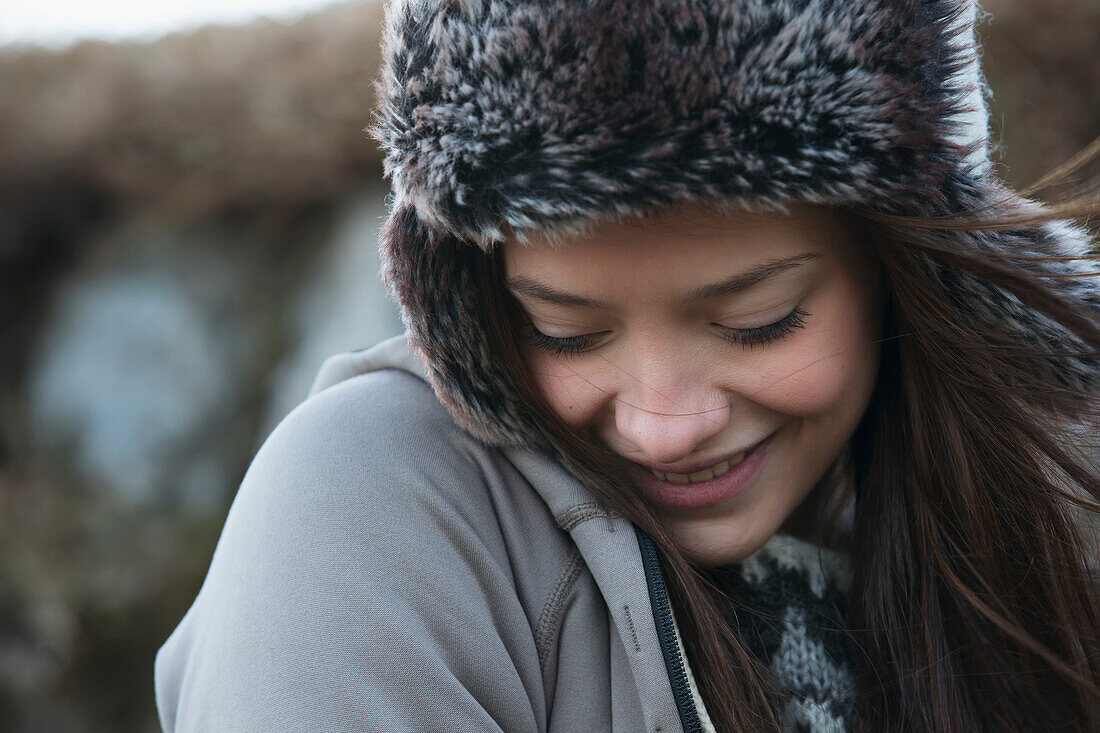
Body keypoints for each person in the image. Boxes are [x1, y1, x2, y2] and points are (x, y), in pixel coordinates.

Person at [154, 0, 1100, 731]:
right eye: (565, 331)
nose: (663, 424)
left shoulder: (1053, 509)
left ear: (903, 268)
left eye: (757, 322)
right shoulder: (367, 510)